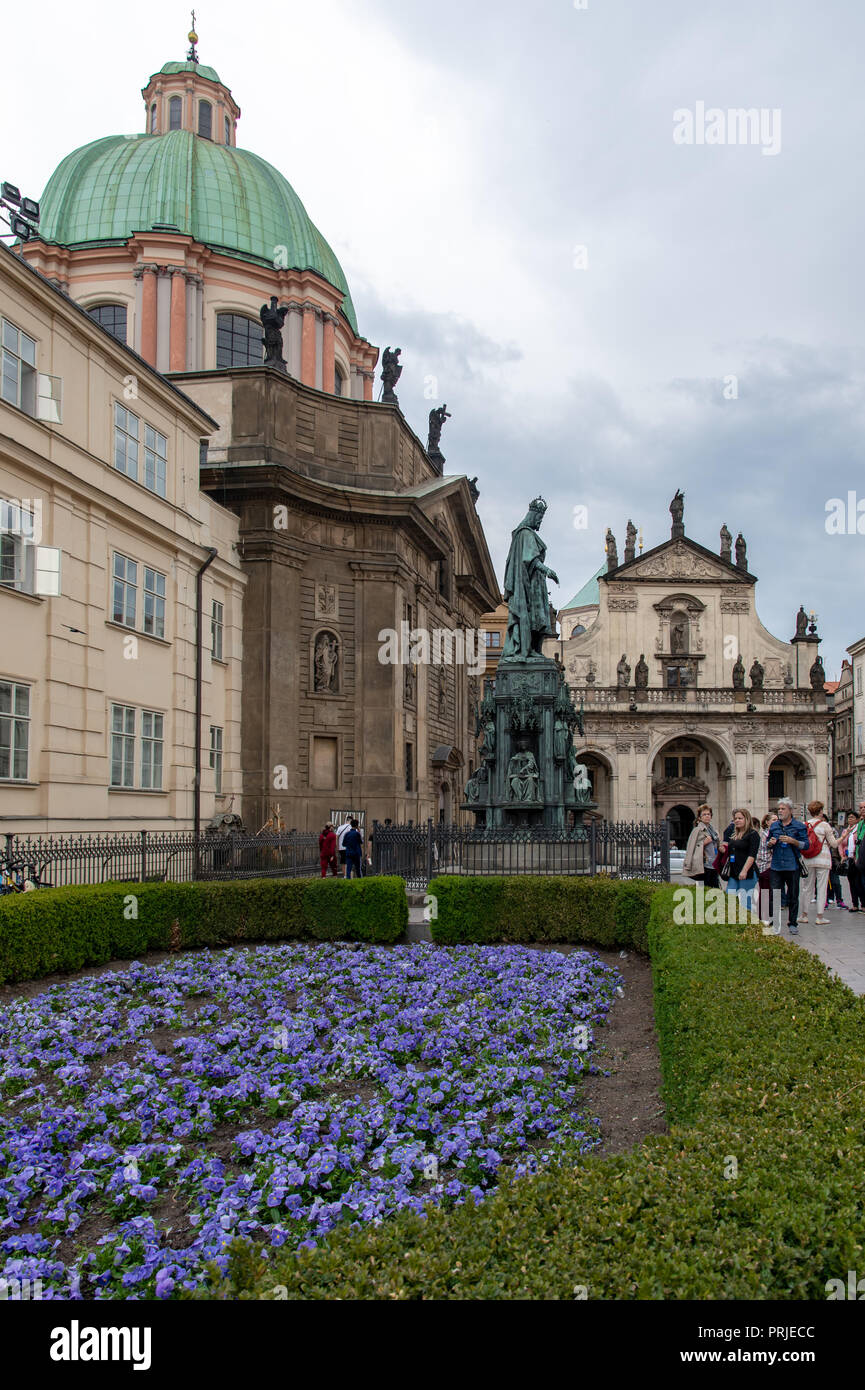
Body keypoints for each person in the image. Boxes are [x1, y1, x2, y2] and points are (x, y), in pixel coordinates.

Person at [765, 797, 809, 934]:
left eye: (783, 809)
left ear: (790, 810)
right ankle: (776, 923)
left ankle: (792, 923)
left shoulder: (799, 826)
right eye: (779, 809)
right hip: (776, 865)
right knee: (775, 895)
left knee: (793, 895)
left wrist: (793, 841)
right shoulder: (774, 826)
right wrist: (770, 843)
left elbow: (806, 845)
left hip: (792, 866)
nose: (780, 811)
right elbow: (767, 844)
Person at [799, 800, 838, 926]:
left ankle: (804, 915)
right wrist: (845, 835)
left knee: (806, 888)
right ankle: (819, 916)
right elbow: (834, 844)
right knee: (821, 888)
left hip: (808, 859)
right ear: (820, 811)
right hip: (823, 860)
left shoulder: (804, 824)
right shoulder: (825, 825)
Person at [725, 807, 760, 917]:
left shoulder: (753, 834)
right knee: (729, 898)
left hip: (747, 872)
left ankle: (747, 927)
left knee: (745, 902)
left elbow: (752, 855)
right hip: (734, 872)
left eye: (740, 818)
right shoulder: (734, 835)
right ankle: (733, 924)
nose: (737, 820)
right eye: (735, 818)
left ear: (747, 819)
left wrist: (744, 870)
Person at [683, 804, 721, 887]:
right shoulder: (697, 830)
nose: (707, 816)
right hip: (704, 864)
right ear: (699, 818)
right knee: (706, 889)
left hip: (714, 863)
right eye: (704, 814)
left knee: (715, 888)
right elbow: (691, 847)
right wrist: (704, 843)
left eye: (709, 814)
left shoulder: (714, 831)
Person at [755, 812, 775, 924]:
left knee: (763, 892)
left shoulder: (762, 833)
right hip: (767, 866)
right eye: (773, 819)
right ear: (767, 822)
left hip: (761, 867)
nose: (776, 821)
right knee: (766, 892)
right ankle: (764, 918)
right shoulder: (768, 835)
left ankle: (762, 917)